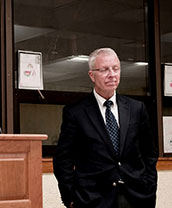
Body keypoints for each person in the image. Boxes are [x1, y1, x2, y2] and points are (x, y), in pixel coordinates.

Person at [53, 48, 158, 208]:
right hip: (94, 200)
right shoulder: (76, 113)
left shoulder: (136, 109)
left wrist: (149, 187)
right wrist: (71, 198)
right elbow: (63, 160)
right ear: (92, 75)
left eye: (115, 68)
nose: (112, 74)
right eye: (104, 70)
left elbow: (149, 153)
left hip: (136, 197)